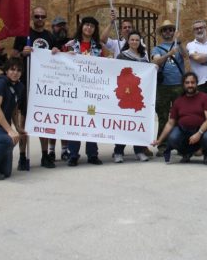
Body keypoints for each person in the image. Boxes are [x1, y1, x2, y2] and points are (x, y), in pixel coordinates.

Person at [12, 6, 57, 170]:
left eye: (42, 16)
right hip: (26, 83)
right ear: (32, 17)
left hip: (43, 85)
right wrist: (22, 53)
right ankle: (22, 157)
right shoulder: (24, 35)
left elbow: (57, 56)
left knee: (43, 119)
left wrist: (55, 51)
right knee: (24, 120)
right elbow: (13, 56)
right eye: (36, 16)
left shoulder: (49, 37)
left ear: (45, 18)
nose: (39, 19)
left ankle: (45, 155)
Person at [63, 16, 111, 166]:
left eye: (92, 26)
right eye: (86, 25)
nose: (89, 28)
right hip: (75, 91)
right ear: (81, 27)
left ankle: (92, 153)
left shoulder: (98, 46)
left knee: (91, 120)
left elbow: (111, 59)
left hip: (92, 92)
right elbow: (58, 61)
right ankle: (73, 154)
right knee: (75, 121)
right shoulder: (70, 45)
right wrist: (64, 54)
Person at [151, 72, 207, 165]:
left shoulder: (204, 97)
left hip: (202, 131)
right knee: (173, 137)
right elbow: (170, 123)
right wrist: (159, 140)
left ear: (196, 83)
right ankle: (186, 153)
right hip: (184, 131)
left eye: (192, 82)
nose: (190, 85)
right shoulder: (178, 101)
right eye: (187, 82)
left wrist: (199, 133)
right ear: (183, 84)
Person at [113, 30, 152, 163]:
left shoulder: (143, 57)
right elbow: (116, 73)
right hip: (125, 95)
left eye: (137, 40)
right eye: (132, 40)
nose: (134, 42)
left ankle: (139, 151)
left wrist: (154, 69)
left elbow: (147, 75)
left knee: (137, 122)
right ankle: (118, 151)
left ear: (140, 42)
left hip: (138, 96)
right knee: (123, 124)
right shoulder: (121, 56)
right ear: (128, 41)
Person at [151, 19, 187, 156]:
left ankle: (179, 143)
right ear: (162, 33)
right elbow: (156, 61)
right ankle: (162, 144)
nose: (168, 32)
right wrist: (169, 53)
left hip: (179, 85)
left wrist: (180, 42)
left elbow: (186, 56)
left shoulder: (178, 45)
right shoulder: (157, 48)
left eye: (170, 30)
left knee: (180, 116)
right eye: (165, 30)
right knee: (163, 116)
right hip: (163, 87)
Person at [186, 19, 207, 154]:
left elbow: (201, 58)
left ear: (206, 28)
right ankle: (201, 146)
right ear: (193, 31)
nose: (199, 30)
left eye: (201, 27)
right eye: (196, 29)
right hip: (199, 85)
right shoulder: (190, 44)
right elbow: (196, 58)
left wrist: (204, 57)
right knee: (200, 117)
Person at [50, 16, 71, 160]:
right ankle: (51, 150)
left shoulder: (70, 42)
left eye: (63, 25)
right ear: (53, 27)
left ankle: (64, 149)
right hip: (52, 84)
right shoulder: (49, 40)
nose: (61, 28)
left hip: (67, 85)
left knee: (65, 119)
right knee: (51, 119)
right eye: (59, 26)